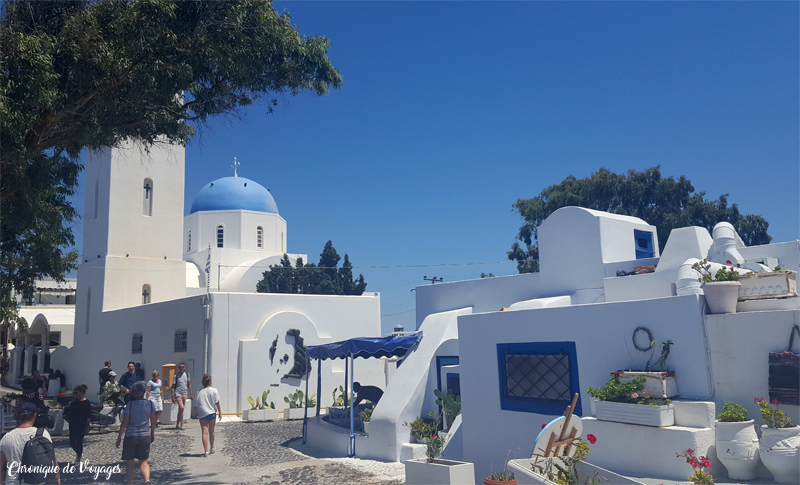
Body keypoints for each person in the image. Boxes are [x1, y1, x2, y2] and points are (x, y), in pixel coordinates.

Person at [0, 402, 61, 484]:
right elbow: (52, 457)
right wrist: (57, 478)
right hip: (38, 482)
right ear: (35, 415)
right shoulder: (43, 433)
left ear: (18, 417)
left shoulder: (7, 438)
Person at [115, 382, 156, 485]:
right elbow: (153, 421)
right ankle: (147, 480)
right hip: (144, 434)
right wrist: (152, 433)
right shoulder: (150, 404)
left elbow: (125, 422)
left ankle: (130, 483)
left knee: (130, 463)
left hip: (131, 435)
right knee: (143, 460)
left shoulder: (130, 404)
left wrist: (119, 436)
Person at [193, 374, 221, 457]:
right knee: (211, 431)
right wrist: (220, 412)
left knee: (204, 433)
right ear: (210, 382)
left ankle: (206, 451)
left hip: (203, 414)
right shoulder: (214, 391)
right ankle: (212, 447)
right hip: (212, 413)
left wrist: (195, 413)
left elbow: (195, 405)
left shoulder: (199, 392)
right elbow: (217, 403)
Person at [65, 384, 91, 463]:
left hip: (81, 424)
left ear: (81, 393)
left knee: (79, 441)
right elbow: (66, 412)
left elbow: (88, 415)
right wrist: (68, 406)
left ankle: (78, 457)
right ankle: (78, 453)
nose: (75, 395)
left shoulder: (86, 402)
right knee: (72, 442)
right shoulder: (73, 402)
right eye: (74, 393)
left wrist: (87, 426)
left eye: (76, 393)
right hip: (73, 424)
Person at [171, 363, 193, 430]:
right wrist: (172, 396)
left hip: (184, 393)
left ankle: (179, 423)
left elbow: (189, 385)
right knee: (182, 408)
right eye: (180, 367)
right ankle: (180, 423)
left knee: (181, 410)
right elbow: (173, 387)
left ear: (184, 368)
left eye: (182, 367)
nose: (181, 368)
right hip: (178, 393)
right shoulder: (176, 376)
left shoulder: (187, 375)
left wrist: (191, 393)